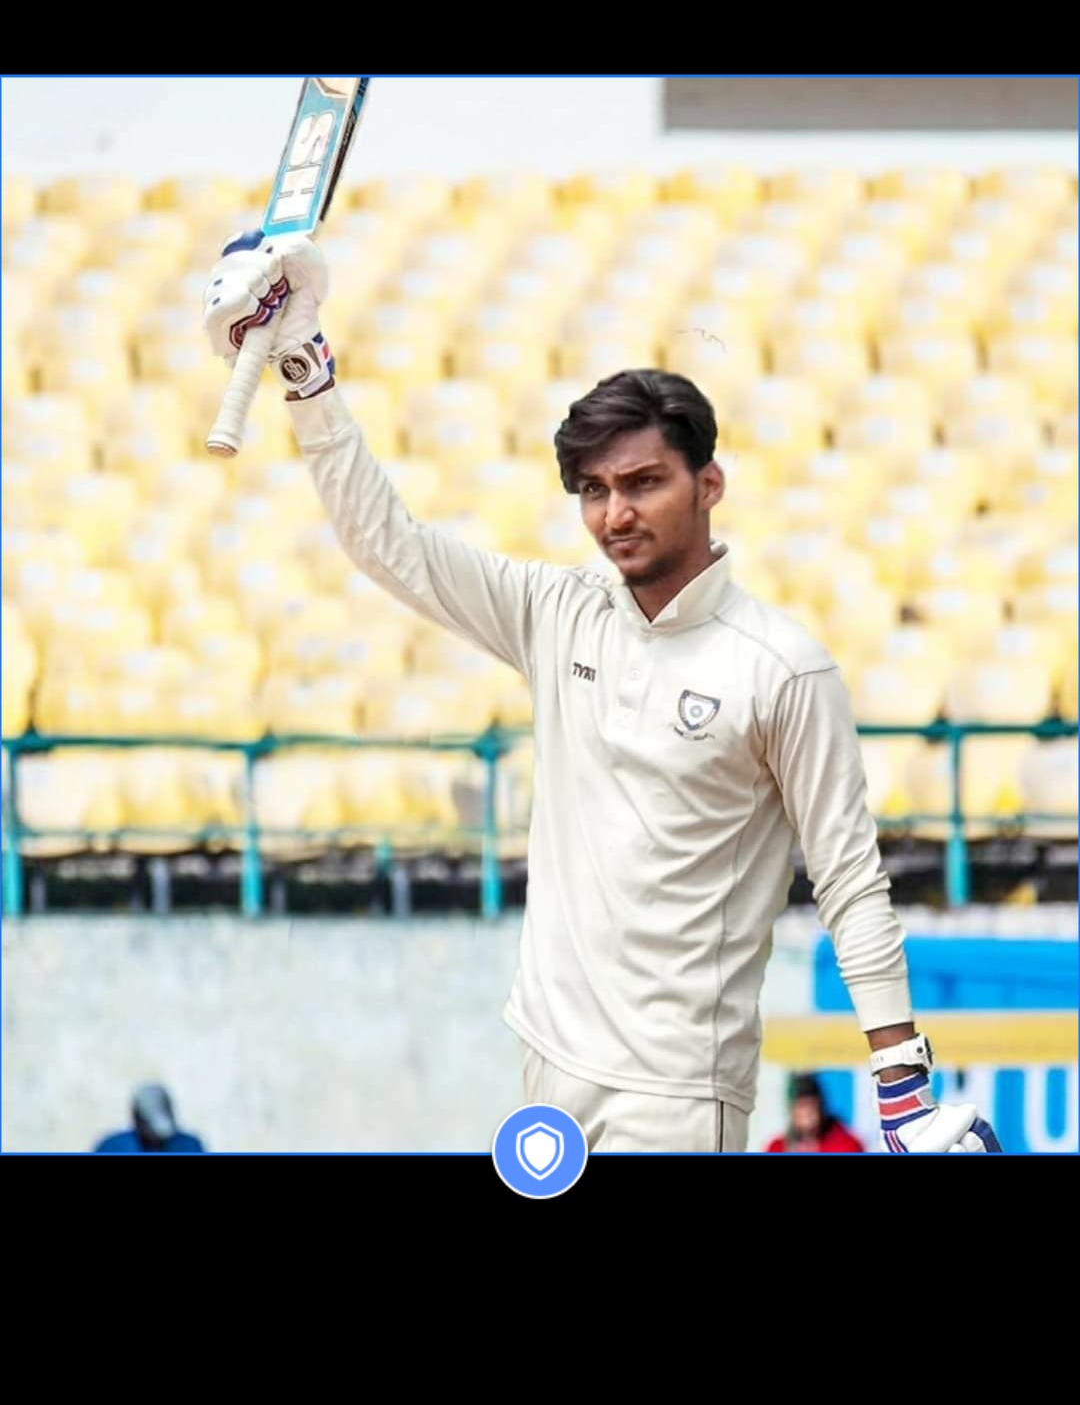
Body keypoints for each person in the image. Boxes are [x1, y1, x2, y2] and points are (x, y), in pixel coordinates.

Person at [201, 231, 1002, 1156]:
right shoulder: (556, 611)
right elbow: (390, 545)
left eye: (643, 483)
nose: (615, 514)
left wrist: (901, 1094)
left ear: (709, 484)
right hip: (547, 1070)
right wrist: (305, 373)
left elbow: (851, 883)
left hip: (676, 1091)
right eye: (593, 490)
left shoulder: (784, 667)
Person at [766, 1073, 865, 1153]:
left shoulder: (846, 1146)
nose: (805, 1111)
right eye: (800, 1105)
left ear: (820, 1107)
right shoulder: (777, 1148)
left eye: (810, 1104)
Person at [94, 1084, 206, 1154]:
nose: (158, 1138)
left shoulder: (190, 1146)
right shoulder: (112, 1148)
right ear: (137, 1119)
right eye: (152, 1130)